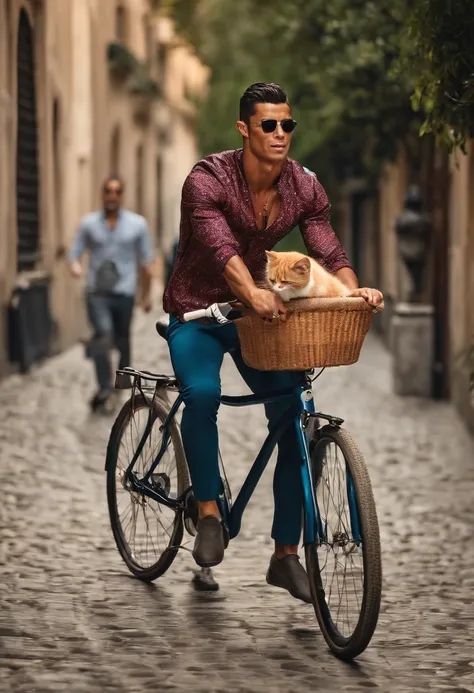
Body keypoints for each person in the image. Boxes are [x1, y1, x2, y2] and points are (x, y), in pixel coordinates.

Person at [162, 83, 384, 602]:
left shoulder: (303, 185)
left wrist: (353, 296)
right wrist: (251, 294)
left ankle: (285, 555)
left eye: (287, 125)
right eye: (269, 125)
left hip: (261, 317)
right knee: (202, 394)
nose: (281, 134)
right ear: (244, 129)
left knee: (290, 412)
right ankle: (210, 513)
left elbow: (325, 243)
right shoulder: (207, 179)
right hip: (201, 311)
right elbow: (221, 251)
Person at [69, 176, 154, 411]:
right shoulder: (89, 224)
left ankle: (122, 386)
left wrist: (146, 296)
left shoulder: (138, 224)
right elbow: (75, 252)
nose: (112, 196)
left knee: (123, 341)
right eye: (108, 191)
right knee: (103, 335)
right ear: (102, 194)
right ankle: (105, 387)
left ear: (121, 195)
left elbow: (147, 262)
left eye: (117, 191)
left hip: (124, 293)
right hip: (97, 293)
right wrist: (75, 265)